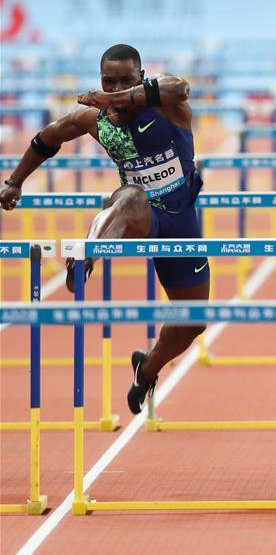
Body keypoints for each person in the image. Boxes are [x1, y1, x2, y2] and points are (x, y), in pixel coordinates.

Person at [0, 44, 209, 416]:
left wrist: (114, 96)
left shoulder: (166, 104)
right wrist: (14, 181)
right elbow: (49, 137)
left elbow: (181, 88)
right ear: (100, 79)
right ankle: (87, 254)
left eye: (125, 81)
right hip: (140, 216)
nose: (114, 89)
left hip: (182, 223)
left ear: (141, 78)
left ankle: (146, 369)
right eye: (108, 81)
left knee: (192, 323)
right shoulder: (95, 119)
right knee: (130, 197)